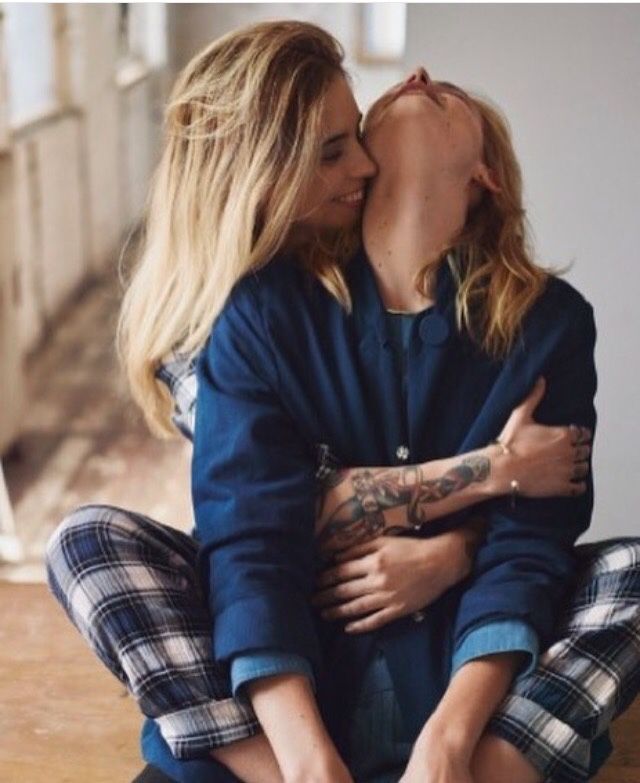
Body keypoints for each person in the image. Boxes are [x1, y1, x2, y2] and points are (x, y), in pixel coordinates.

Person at [45, 20, 640, 783]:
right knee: (89, 541)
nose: (418, 75)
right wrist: (495, 474)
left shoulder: (549, 323)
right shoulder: (250, 312)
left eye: (356, 135)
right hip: (299, 667)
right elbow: (260, 529)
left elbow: (534, 542)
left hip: (452, 660)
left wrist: (448, 738)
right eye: (334, 148)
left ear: (485, 175)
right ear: (271, 177)